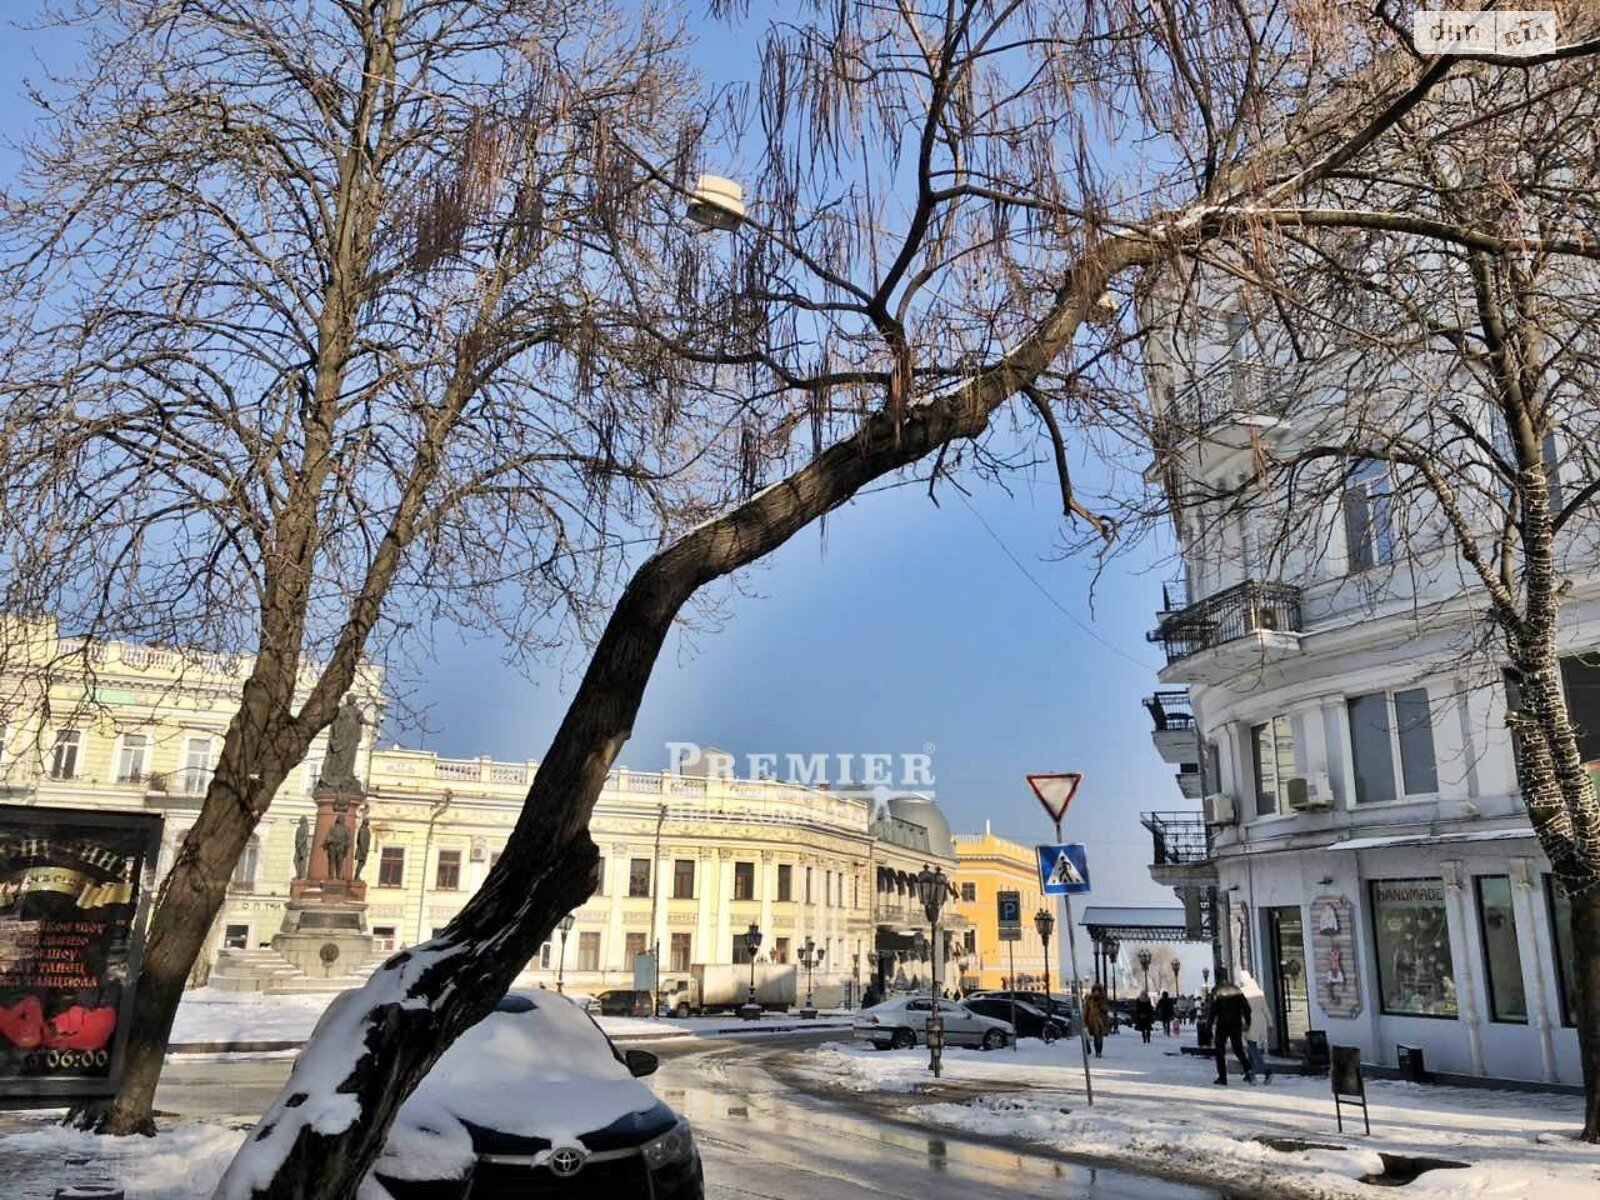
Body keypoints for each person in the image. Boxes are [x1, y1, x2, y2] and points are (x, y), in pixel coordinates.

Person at [1208, 971, 1254, 1085]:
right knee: (1238, 1049)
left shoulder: (1216, 991)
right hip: (1236, 1023)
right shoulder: (1237, 989)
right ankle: (1248, 1070)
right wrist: (1248, 1022)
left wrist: (1208, 1026)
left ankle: (1222, 1077)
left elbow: (1212, 1011)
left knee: (1219, 1051)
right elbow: (1246, 1007)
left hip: (1222, 1024)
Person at [1083, 982, 1112, 1058]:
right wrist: (1084, 1020)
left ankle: (1098, 1051)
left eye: (1098, 991)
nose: (1096, 992)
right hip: (1091, 1021)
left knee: (1099, 1038)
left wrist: (1100, 1004)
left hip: (1100, 1022)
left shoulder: (1103, 1000)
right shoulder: (1089, 999)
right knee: (1087, 1036)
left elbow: (1106, 1010)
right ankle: (1088, 1049)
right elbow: (1086, 1010)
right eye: (1095, 991)